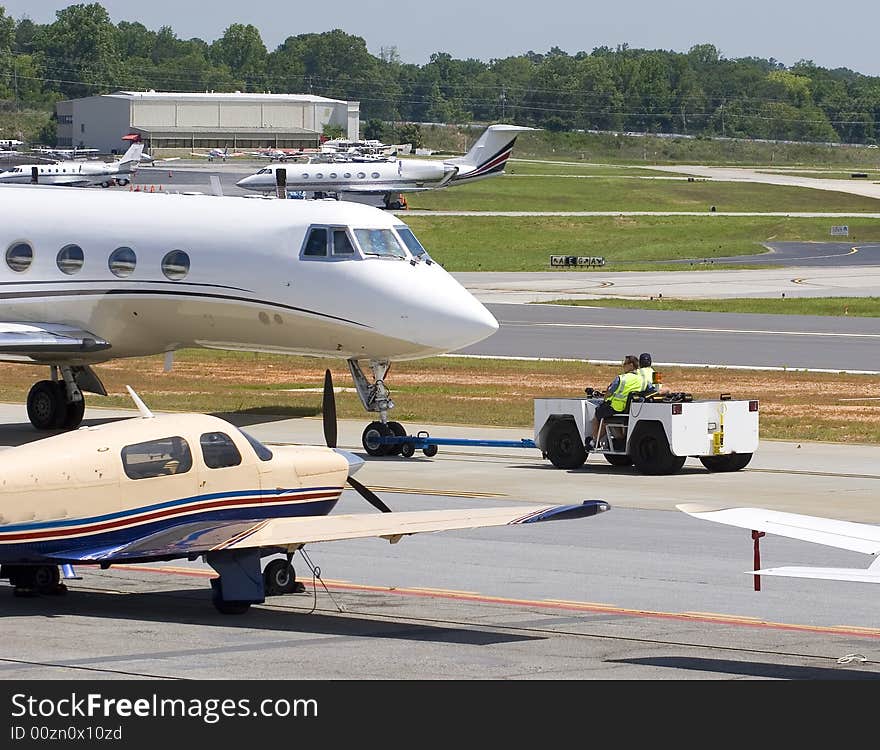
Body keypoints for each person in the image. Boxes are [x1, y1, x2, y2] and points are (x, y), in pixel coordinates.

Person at [587, 354, 643, 451]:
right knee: (607, 420)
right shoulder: (642, 380)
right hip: (630, 410)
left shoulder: (621, 378)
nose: (623, 365)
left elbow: (609, 393)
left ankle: (594, 442)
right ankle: (619, 439)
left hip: (616, 408)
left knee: (597, 414)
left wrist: (605, 398)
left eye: (625, 363)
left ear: (631, 365)